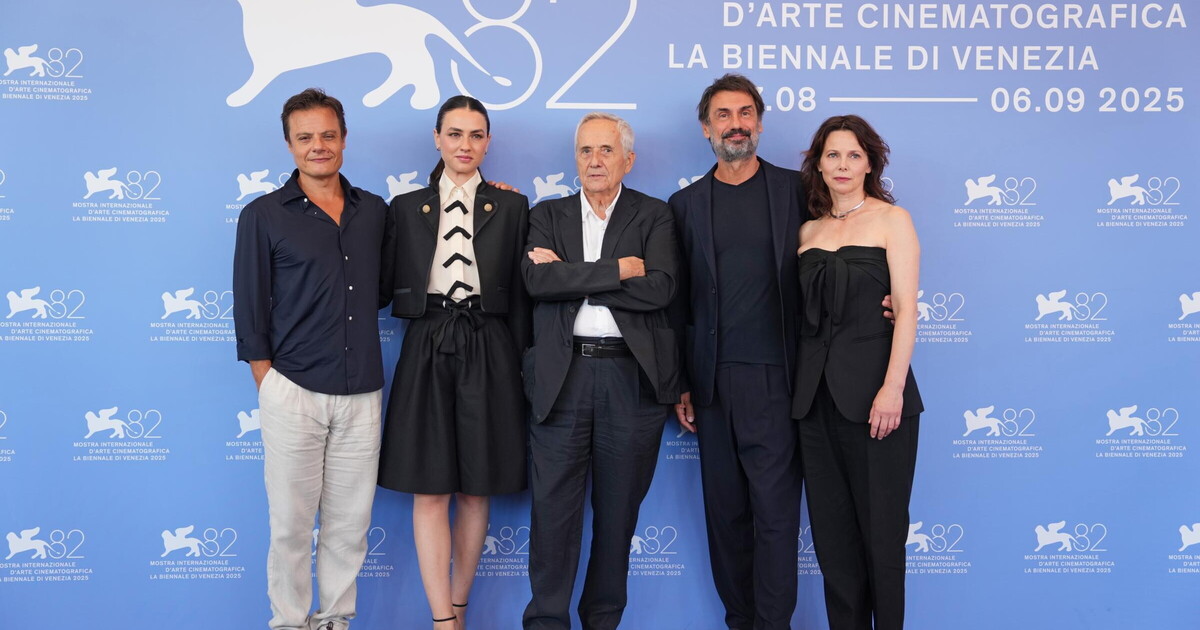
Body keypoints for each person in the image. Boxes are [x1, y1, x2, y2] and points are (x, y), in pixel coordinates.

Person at [233, 87, 387, 630]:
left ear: (344, 139)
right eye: (305, 138)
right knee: (291, 528)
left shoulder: (375, 211)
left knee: (350, 527)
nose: (317, 145)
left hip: (362, 391)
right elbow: (250, 307)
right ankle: (289, 623)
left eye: (327, 135)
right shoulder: (262, 215)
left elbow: (391, 284)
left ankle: (336, 621)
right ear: (289, 145)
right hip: (292, 389)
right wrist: (269, 383)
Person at [521, 112, 680, 630]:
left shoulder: (654, 215)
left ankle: (603, 621)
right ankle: (546, 622)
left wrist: (571, 276)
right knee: (552, 516)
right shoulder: (547, 215)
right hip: (561, 379)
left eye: (606, 150)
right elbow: (537, 284)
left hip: (629, 381)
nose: (594, 160)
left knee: (617, 517)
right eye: (585, 150)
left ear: (627, 160)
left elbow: (660, 289)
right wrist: (617, 271)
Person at [376, 95, 530, 630]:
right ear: (437, 138)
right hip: (427, 340)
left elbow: (525, 297)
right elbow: (381, 282)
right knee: (430, 486)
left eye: (476, 135)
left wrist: (526, 365)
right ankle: (441, 619)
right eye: (456, 133)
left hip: (490, 344)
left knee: (475, 487)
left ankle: (459, 609)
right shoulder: (403, 208)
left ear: (488, 142)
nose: (466, 145)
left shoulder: (512, 206)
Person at [668, 73, 806, 630]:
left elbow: (848, 238)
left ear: (760, 124)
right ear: (706, 128)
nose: (736, 124)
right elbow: (678, 303)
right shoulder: (684, 205)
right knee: (726, 517)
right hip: (712, 385)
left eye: (746, 113)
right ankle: (740, 621)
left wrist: (880, 294)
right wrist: (682, 381)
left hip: (780, 380)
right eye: (723, 115)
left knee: (775, 516)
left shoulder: (798, 190)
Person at [791, 115, 922, 630]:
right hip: (813, 403)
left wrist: (892, 389)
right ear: (818, 164)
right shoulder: (807, 230)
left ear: (870, 163)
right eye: (832, 155)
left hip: (878, 401)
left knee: (882, 538)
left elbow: (906, 311)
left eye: (853, 155)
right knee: (833, 544)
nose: (842, 165)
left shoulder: (893, 220)